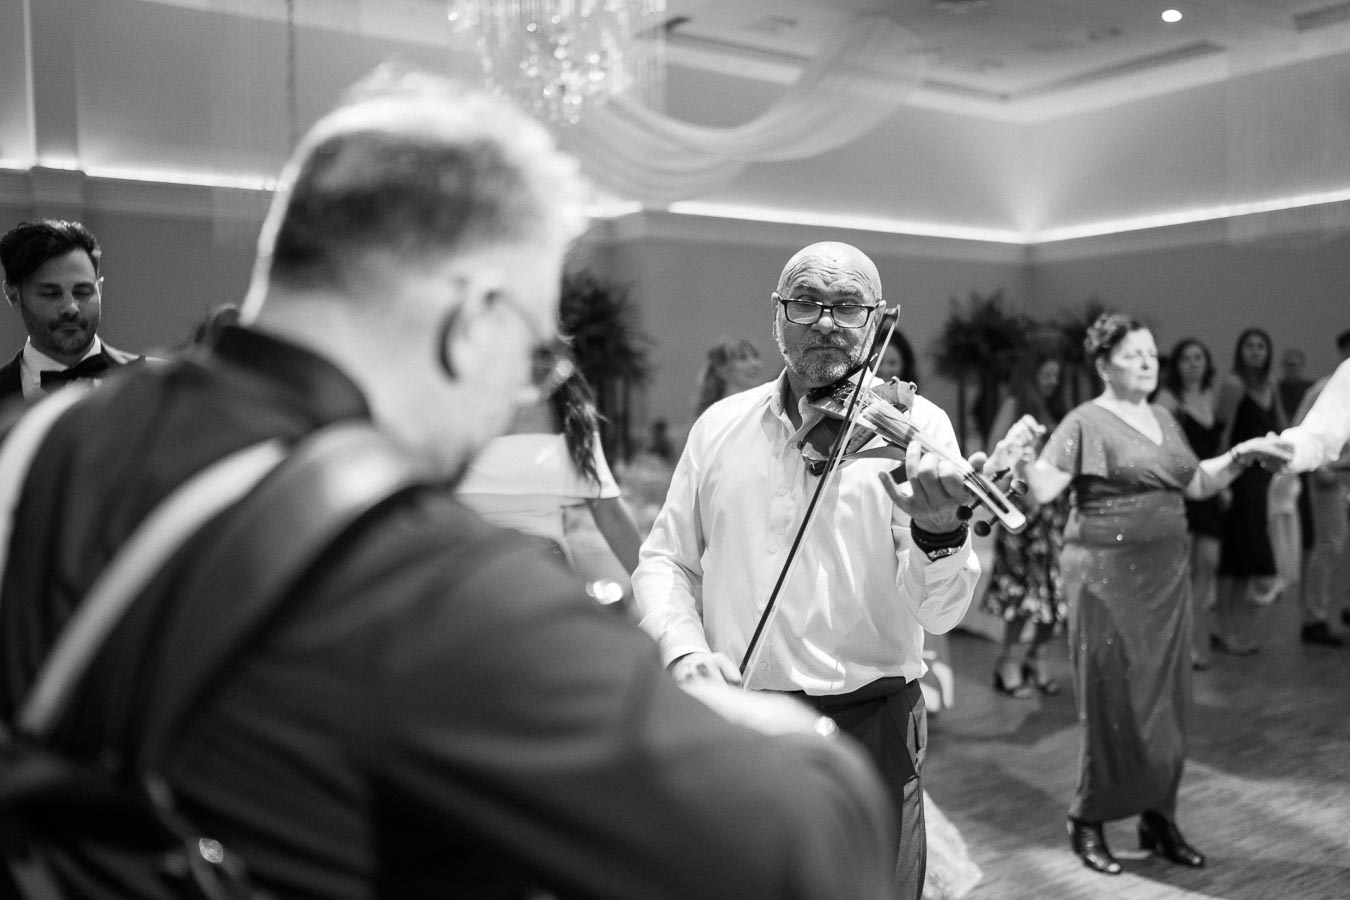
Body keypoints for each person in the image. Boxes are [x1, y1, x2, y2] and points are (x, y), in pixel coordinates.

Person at [0, 70, 897, 899]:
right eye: (534, 350)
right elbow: (808, 844)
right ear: (471, 323)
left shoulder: (42, 441)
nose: (528, 383)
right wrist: (753, 721)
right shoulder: (423, 584)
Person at [633, 240, 994, 900]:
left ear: (878, 320)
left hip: (874, 726)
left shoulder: (917, 427)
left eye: (848, 304)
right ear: (777, 316)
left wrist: (940, 533)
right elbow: (666, 559)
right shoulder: (719, 428)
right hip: (741, 723)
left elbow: (940, 612)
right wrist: (684, 651)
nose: (826, 321)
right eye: (806, 301)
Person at [1010, 313, 1287, 877]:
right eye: (1134, 354)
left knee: (1167, 703)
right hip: (1104, 579)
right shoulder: (1085, 421)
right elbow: (1040, 489)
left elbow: (1199, 482)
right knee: (1113, 702)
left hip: (1166, 581)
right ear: (1103, 363)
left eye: (1151, 354)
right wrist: (1018, 456)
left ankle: (1158, 817)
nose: (1147, 362)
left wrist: (1242, 454)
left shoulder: (1163, 416)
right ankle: (1087, 817)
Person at [457, 361, 643, 596]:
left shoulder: (568, 408)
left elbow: (611, 515)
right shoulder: (452, 390)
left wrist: (655, 598)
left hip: (544, 571)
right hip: (467, 570)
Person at [982, 352, 1069, 697]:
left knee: (1054, 599)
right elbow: (994, 456)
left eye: (1055, 375)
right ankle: (1007, 663)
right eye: (1045, 373)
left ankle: (1035, 658)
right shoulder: (1016, 404)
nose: (1050, 381)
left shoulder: (1057, 410)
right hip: (1021, 512)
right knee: (1021, 598)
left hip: (1051, 515)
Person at [0, 219, 146, 403]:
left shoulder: (160, 385)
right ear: (13, 296)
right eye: (50, 294)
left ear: (99, 290)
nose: (70, 307)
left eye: (82, 292)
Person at [1213, 327, 1287, 653]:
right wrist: (1222, 481)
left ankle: (1233, 628)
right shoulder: (1233, 385)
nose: (1255, 352)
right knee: (1235, 557)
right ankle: (1223, 628)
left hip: (1262, 481)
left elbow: (1282, 429)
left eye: (1261, 346)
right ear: (1240, 351)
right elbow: (1223, 433)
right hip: (1239, 478)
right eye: (1249, 346)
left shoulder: (1269, 386)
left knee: (1250, 558)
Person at [1155, 338, 1225, 669]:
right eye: (1186, 358)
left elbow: (1219, 444)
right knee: (1179, 572)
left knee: (1208, 564)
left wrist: (1222, 482)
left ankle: (1193, 640)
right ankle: (1175, 645)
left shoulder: (1211, 396)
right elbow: (1161, 445)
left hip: (1208, 487)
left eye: (1199, 357)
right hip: (1180, 490)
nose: (1193, 363)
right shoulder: (1169, 400)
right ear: (1176, 365)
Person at [1287, 330, 1350, 646]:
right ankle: (1315, 618)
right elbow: (1301, 432)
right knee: (1329, 544)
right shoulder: (1324, 390)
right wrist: (1320, 468)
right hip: (1330, 477)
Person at [692, 335, 763, 417]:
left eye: (756, 356)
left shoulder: (767, 407)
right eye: (742, 358)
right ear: (720, 368)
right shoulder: (711, 416)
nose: (755, 364)